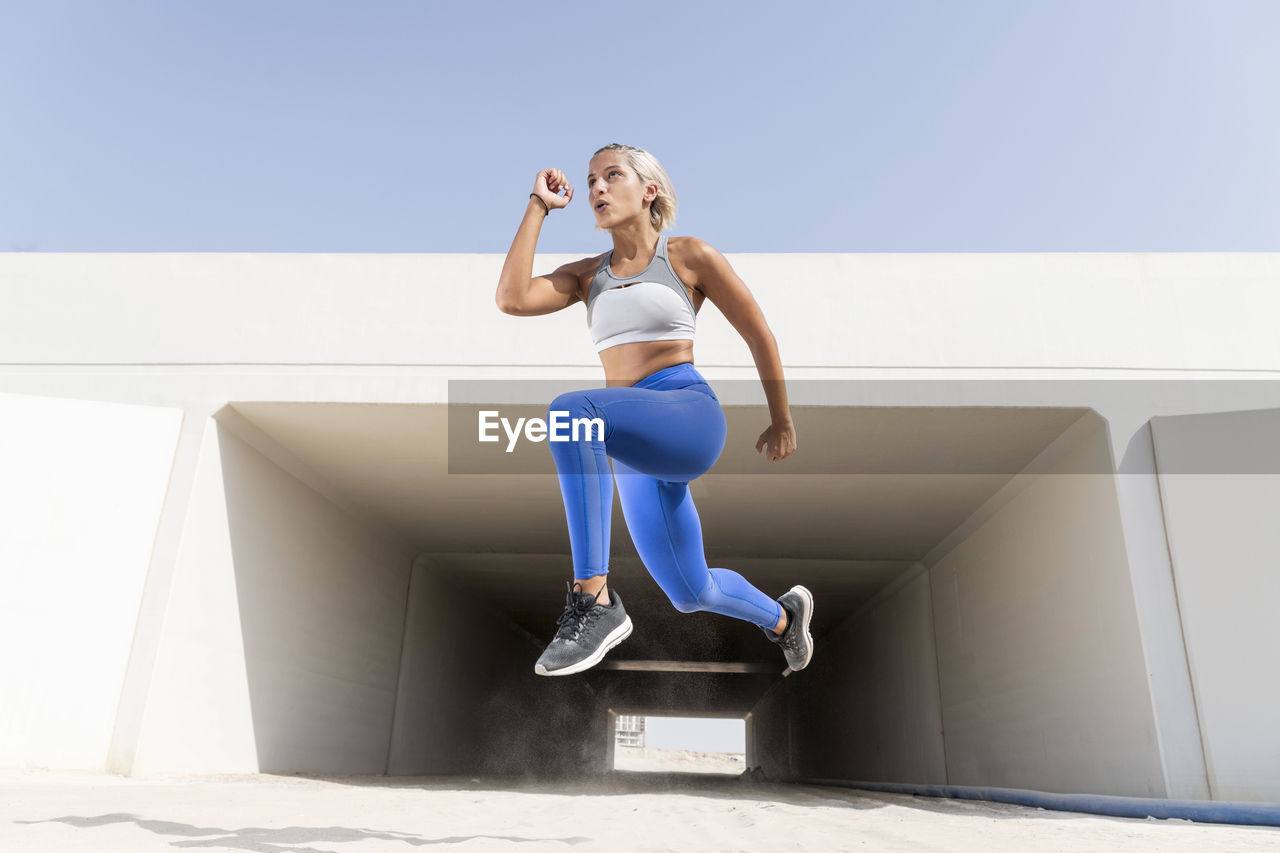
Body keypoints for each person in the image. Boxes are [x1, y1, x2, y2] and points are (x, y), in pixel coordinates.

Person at [495, 143, 813, 677]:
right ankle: (785, 620)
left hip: (684, 410)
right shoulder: (586, 274)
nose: (596, 187)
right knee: (692, 590)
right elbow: (512, 298)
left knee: (572, 413)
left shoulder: (688, 256)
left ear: (650, 191)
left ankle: (593, 600)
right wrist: (537, 205)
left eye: (611, 176)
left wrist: (782, 419)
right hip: (630, 442)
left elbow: (759, 334)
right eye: (591, 179)